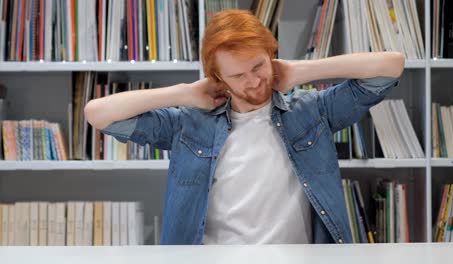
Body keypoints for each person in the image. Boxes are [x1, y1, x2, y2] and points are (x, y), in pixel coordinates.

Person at [84, 10, 404, 245]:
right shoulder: (188, 124)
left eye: (259, 66)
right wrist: (183, 93)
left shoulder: (311, 111)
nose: (253, 82)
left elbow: (391, 67)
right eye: (237, 76)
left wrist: (302, 71)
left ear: (271, 55)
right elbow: (99, 114)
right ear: (218, 78)